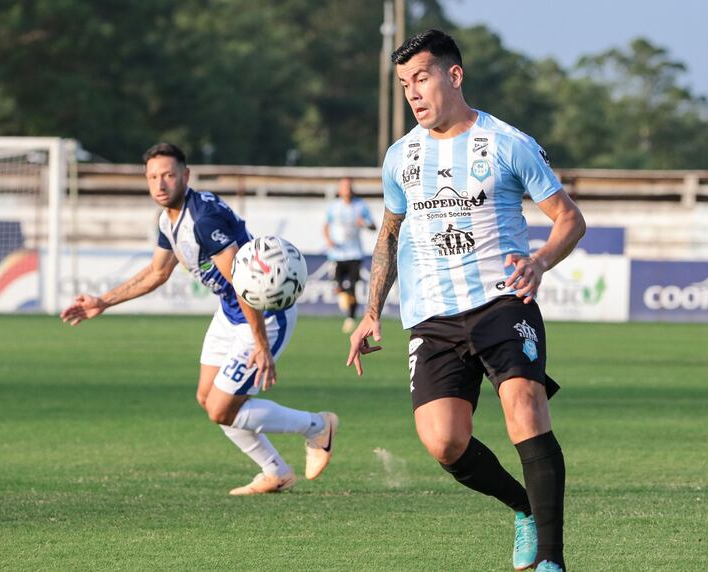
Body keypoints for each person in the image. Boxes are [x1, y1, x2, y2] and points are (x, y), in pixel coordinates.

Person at [346, 30, 585, 572]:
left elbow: (570, 219)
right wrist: (369, 313)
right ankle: (525, 508)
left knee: (524, 404)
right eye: (405, 83)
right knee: (445, 444)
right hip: (432, 317)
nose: (413, 93)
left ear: (454, 75)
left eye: (422, 78)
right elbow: (388, 236)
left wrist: (540, 261)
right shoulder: (400, 157)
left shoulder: (507, 143)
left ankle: (551, 558)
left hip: (503, 301)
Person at [61, 143, 338, 495]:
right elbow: (157, 273)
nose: (160, 184)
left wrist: (260, 344)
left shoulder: (203, 221)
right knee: (208, 397)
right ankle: (275, 472)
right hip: (230, 313)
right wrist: (102, 301)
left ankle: (317, 426)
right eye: (152, 177)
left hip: (263, 316)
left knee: (222, 409)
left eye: (168, 176)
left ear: (185, 176)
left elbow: (241, 281)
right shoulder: (169, 218)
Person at [323, 177, 376, 333]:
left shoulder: (360, 206)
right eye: (344, 186)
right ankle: (342, 296)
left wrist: (364, 223)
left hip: (354, 253)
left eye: (349, 186)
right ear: (339, 190)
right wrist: (328, 240)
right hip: (336, 254)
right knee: (337, 286)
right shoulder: (334, 207)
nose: (347, 189)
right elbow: (325, 226)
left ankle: (350, 318)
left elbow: (373, 226)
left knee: (353, 287)